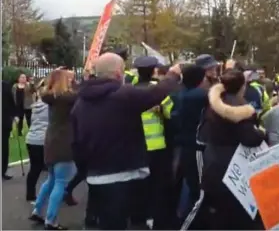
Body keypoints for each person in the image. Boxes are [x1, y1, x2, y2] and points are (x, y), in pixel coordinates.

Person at [71, 53, 181, 230]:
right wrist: (173, 75)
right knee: (134, 222)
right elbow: (156, 93)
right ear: (117, 74)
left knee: (107, 224)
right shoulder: (124, 95)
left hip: (96, 176)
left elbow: (76, 143)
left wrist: (85, 170)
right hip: (127, 174)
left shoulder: (80, 104)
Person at [182, 69, 266, 230]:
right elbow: (250, 139)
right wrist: (261, 133)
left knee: (218, 212)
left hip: (212, 162)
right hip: (235, 167)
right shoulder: (241, 110)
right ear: (242, 86)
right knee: (237, 213)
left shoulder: (212, 106)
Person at [28, 69, 78, 230]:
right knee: (60, 183)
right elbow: (81, 94)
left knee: (51, 179)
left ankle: (38, 210)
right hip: (64, 142)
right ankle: (51, 219)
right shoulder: (67, 99)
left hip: (50, 141)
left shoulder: (50, 97)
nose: (72, 80)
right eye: (69, 78)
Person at [132, 56, 175, 229]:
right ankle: (153, 216)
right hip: (157, 143)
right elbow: (171, 112)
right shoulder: (159, 91)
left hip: (134, 143)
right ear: (154, 71)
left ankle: (137, 216)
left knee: (137, 181)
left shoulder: (129, 90)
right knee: (156, 183)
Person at [170, 64, 209, 228]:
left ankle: (177, 217)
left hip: (180, 143)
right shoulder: (198, 96)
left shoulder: (178, 93)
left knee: (181, 182)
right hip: (194, 145)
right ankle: (188, 223)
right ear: (200, 79)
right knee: (197, 189)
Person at [25, 79, 48, 202]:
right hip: (41, 140)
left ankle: (30, 194)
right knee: (46, 168)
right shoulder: (49, 106)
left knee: (34, 168)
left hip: (31, 139)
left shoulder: (36, 105)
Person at [2, 79, 18, 180]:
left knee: (4, 147)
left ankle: (3, 170)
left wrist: (14, 115)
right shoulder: (6, 85)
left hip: (4, 121)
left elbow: (11, 102)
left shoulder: (6, 86)